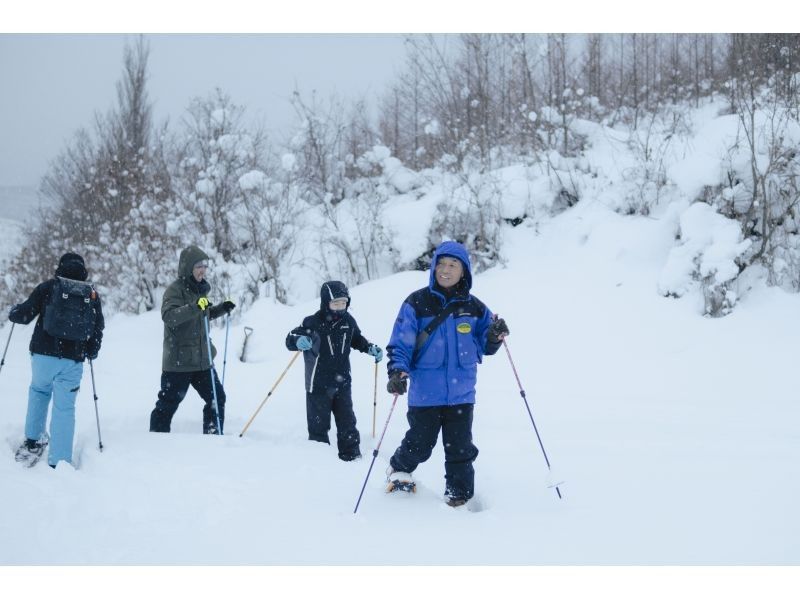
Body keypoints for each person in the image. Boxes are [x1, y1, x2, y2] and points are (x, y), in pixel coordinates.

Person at [384, 240, 509, 507]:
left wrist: (496, 334)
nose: (446, 270)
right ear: (433, 268)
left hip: (462, 394)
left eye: (453, 265)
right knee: (420, 443)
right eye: (441, 263)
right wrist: (396, 371)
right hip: (425, 394)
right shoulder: (416, 303)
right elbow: (401, 343)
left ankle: (459, 495)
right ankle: (399, 469)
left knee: (461, 449)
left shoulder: (475, 307)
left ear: (464, 271)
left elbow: (487, 345)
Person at [9, 252, 104, 469]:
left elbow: (24, 314)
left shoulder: (49, 287)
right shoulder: (91, 294)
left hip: (43, 354)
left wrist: (13, 312)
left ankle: (33, 442)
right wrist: (92, 350)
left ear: (60, 267)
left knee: (39, 392)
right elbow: (98, 327)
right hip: (72, 360)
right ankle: (59, 459)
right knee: (65, 408)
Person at [286, 281, 384, 461]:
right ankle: (320, 461)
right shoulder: (312, 322)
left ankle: (352, 457)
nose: (340, 308)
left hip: (342, 382)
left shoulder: (348, 321)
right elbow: (290, 338)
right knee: (318, 426)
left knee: (347, 423)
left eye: (343, 303)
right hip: (318, 384)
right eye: (335, 303)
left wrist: (369, 348)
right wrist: (298, 340)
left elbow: (356, 339)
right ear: (325, 303)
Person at [149, 246, 235, 435]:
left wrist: (222, 308)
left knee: (217, 398)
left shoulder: (200, 290)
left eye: (204, 266)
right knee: (167, 404)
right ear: (188, 268)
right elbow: (170, 316)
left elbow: (202, 315)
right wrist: (195, 306)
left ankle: (213, 436)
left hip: (202, 360)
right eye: (198, 266)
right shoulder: (175, 291)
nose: (202, 270)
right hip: (179, 362)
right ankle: (156, 439)